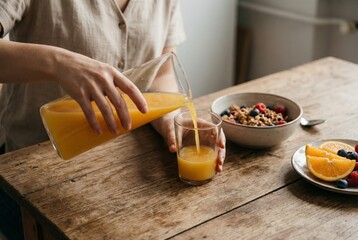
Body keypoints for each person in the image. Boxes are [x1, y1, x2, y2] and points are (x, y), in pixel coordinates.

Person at [0, 0, 226, 239]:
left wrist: (171, 120)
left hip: (121, 173)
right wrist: (59, 63)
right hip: (34, 180)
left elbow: (161, 72)